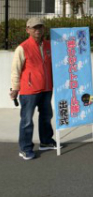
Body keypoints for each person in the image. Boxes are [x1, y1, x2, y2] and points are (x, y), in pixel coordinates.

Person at [10, 17, 56, 160]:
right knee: (27, 121)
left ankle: (46, 141)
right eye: (34, 27)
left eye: (40, 27)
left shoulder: (50, 45)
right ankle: (25, 148)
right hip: (29, 91)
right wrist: (15, 88)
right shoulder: (22, 48)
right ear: (28, 30)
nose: (38, 30)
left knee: (46, 116)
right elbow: (15, 70)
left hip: (47, 89)